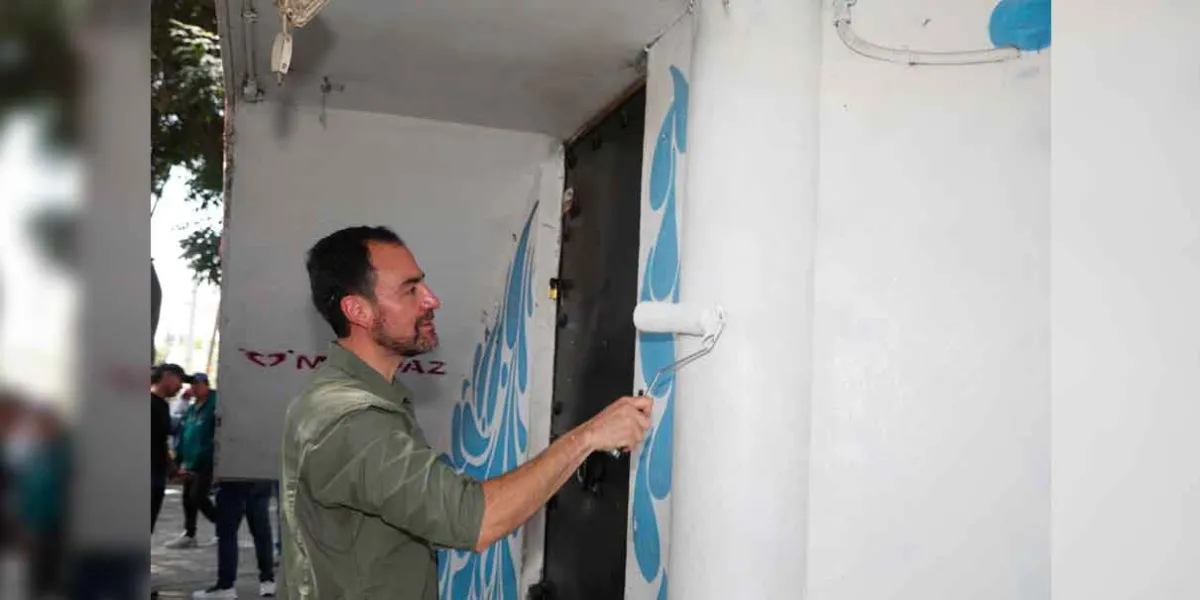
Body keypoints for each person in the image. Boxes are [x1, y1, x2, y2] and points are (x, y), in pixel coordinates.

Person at [280, 226, 653, 599]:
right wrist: (589, 437)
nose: (431, 299)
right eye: (410, 290)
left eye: (423, 284)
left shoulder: (343, 398)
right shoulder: (354, 421)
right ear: (357, 310)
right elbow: (478, 520)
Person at [192, 479, 277, 598]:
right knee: (261, 528)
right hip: (260, 474)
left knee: (228, 531)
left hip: (234, 476)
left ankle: (226, 585)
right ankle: (267, 580)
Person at [166, 373, 218, 549]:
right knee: (187, 497)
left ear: (206, 384)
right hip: (189, 460)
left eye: (197, 384)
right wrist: (176, 461)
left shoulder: (215, 403)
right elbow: (183, 435)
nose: (194, 388)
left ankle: (223, 526)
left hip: (207, 460)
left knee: (199, 496)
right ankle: (190, 534)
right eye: (192, 385)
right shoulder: (191, 409)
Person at [151, 363, 188, 533]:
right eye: (179, 380)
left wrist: (171, 467)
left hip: (158, 474)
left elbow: (161, 441)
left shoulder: (163, 406)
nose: (180, 386)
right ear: (166, 376)